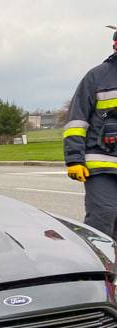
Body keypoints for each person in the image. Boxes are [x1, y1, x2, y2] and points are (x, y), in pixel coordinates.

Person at [63, 27, 117, 240]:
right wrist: (74, 160)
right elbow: (77, 121)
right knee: (103, 217)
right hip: (102, 165)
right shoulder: (97, 77)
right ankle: (96, 268)